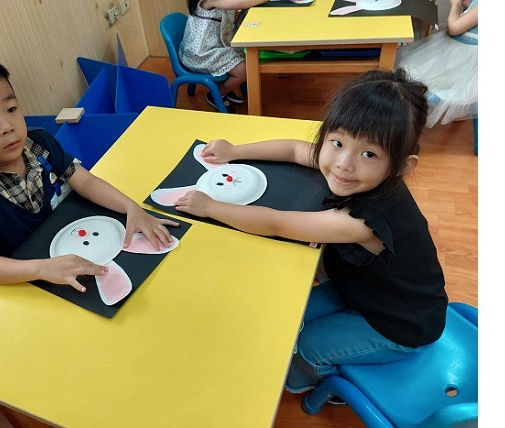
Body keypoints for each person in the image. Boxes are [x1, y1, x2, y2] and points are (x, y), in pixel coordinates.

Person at [174, 69, 448, 397]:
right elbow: (294, 149)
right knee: (287, 317)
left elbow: (275, 223)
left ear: (402, 166)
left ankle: (311, 382)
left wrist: (211, 207)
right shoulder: (357, 170)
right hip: (363, 291)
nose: (343, 163)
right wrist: (234, 151)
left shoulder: (362, 222)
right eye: (337, 142)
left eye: (369, 154)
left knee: (304, 345)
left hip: (402, 326)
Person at [0, 50, 178, 293]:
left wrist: (131, 207)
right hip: (31, 272)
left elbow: (86, 182)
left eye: (11, 109)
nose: (7, 126)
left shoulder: (39, 143)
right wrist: (42, 268)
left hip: (76, 239)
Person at [395, 0, 478, 128]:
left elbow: (454, 28)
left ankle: (407, 113)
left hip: (466, 57)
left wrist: (455, 5)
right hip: (460, 49)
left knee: (419, 76)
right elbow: (473, 10)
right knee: (415, 71)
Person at [179, 0, 268, 113]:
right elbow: (240, 3)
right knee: (245, 69)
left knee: (245, 54)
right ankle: (217, 94)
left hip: (212, 46)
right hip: (200, 55)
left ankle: (227, 88)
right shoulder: (209, 1)